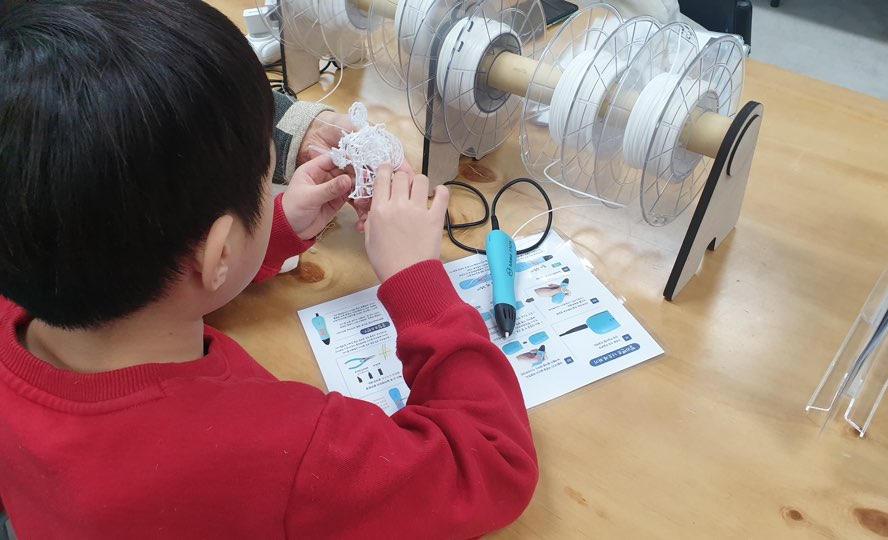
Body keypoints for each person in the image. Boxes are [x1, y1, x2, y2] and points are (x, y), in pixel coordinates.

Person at [0, 1, 538, 538]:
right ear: (217, 254)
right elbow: (491, 463)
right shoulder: (286, 453)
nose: (270, 187)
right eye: (267, 178)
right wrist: (415, 279)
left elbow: (135, 271)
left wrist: (275, 229)